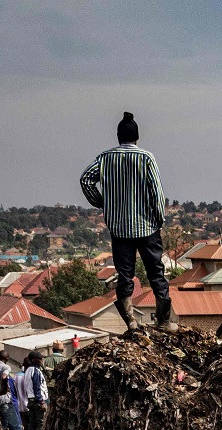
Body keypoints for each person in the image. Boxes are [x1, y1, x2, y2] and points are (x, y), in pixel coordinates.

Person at [79, 111, 174, 332]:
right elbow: (157, 194)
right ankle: (164, 322)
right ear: (137, 137)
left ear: (118, 136)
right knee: (156, 273)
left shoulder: (105, 158)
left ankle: (131, 322)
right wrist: (159, 219)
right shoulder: (146, 158)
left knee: (125, 276)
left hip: (120, 229)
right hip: (147, 228)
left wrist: (102, 202)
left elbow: (85, 180)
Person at [19, 351, 49, 430]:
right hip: (37, 401)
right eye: (39, 359)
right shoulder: (35, 371)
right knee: (41, 424)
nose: (41, 361)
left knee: (32, 425)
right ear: (33, 360)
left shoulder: (27, 370)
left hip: (30, 401)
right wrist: (41, 402)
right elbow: (37, 387)